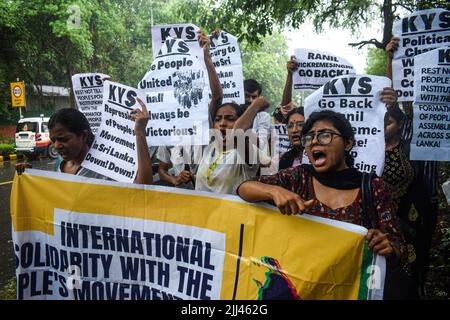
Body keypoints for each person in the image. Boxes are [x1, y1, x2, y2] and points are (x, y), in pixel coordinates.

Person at [237, 110, 407, 271]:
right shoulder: (298, 177)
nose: (315, 141)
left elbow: (399, 249)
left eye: (325, 135)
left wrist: (387, 248)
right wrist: (274, 191)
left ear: (347, 143)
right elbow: (244, 188)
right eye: (309, 137)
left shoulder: (373, 187)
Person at [386, 37, 441, 297]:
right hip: (404, 209)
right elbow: (391, 104)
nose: (414, 101)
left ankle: (418, 284)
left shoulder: (437, 124)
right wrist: (390, 59)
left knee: (421, 251)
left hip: (427, 201)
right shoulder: (404, 128)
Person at [16, 100, 153, 184]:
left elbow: (143, 187)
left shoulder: (105, 166)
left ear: (83, 136)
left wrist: (140, 132)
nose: (57, 146)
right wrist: (29, 176)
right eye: (53, 140)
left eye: (63, 139)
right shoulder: (60, 165)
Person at [157, 30, 221, 189]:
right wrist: (175, 179)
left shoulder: (204, 117)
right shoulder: (167, 128)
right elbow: (161, 171)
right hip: (183, 197)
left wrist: (207, 57)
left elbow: (218, 96)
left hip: (210, 192)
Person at [195, 97, 269, 194]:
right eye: (217, 119)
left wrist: (256, 104)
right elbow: (216, 96)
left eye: (230, 119)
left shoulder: (245, 153)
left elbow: (237, 132)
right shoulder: (209, 147)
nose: (222, 124)